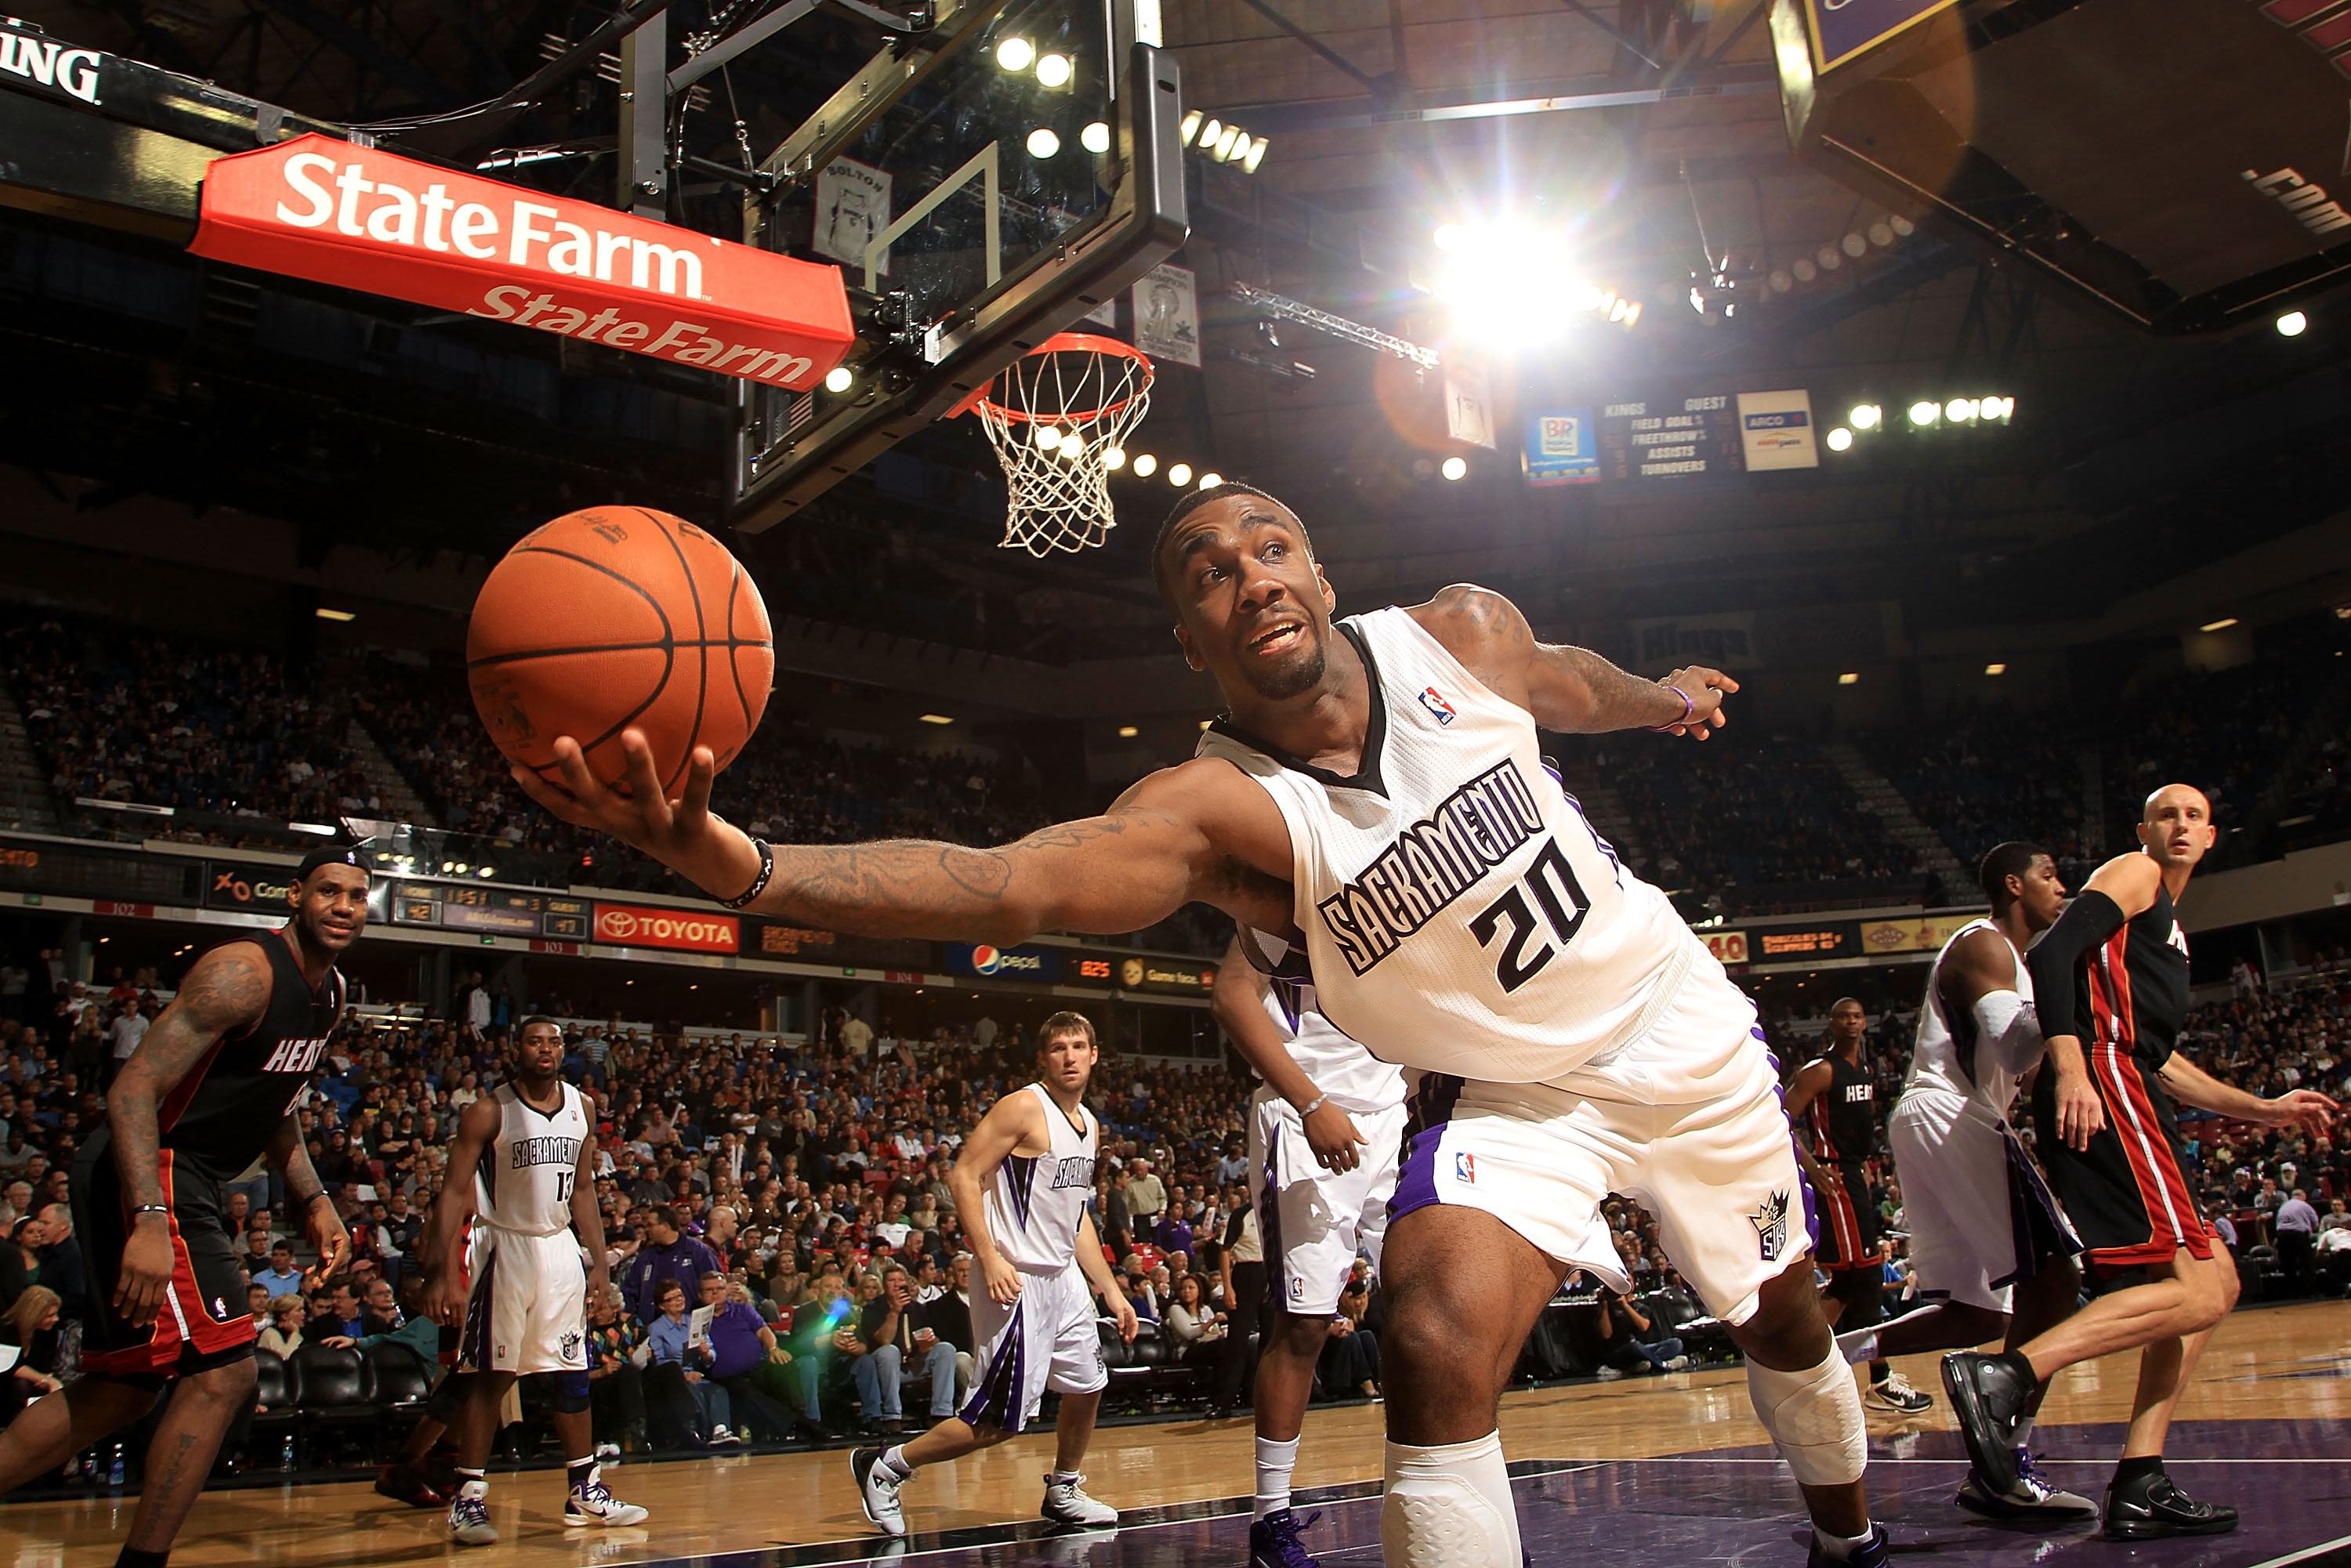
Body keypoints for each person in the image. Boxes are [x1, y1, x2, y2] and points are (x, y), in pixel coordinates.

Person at [516, 482, 1876, 1568]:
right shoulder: (1220, 810)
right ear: (1192, 642)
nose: (1250, 577)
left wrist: (1671, 698)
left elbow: (1575, 679)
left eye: (1269, 546)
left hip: (1670, 1026)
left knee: (1783, 1320)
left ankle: (1847, 1530)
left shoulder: (1459, 633)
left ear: (1323, 574)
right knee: (1431, 1339)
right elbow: (1009, 878)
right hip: (1500, 1091)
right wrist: (749, 868)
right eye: (1209, 576)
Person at [1942, 786, 2340, 1540]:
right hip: (2103, 1080)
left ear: (2214, 835)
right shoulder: (2136, 874)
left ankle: (2141, 1477)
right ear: (2143, 830)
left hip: (2125, 1075)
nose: (2180, 825)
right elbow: (2052, 951)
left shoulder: (2166, 928)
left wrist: (2264, 1108)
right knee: (2199, 1286)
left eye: (2194, 816)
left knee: (2212, 1284)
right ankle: (2006, 1374)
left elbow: (2162, 1059)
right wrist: (2070, 1060)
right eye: (2167, 814)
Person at [0, 846, 363, 1568]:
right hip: (155, 1164)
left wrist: (315, 1197)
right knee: (225, 1374)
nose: (345, 906)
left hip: (185, 1172)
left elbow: (277, 1108)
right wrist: (148, 1218)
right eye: (329, 891)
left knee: (123, 1390)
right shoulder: (242, 972)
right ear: (295, 895)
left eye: (357, 895)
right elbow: (133, 1089)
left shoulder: (333, 993)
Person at [1849, 842, 2092, 1519]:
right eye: (2049, 875)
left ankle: (1830, 1355)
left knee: (1980, 1313)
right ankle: (2004, 1459)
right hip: (1952, 1112)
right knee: (2057, 1277)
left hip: (1931, 1116)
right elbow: (2016, 1046)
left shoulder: (2012, 964)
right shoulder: (1987, 944)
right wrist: (2075, 991)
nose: (2061, 886)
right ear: (2014, 884)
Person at [849, 1016, 1137, 1537]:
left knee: (1089, 1383)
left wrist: (1112, 1289)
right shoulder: (1024, 1106)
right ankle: (885, 1464)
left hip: (1064, 1277)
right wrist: (990, 1255)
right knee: (996, 1422)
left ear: (1095, 1054)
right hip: (1016, 1276)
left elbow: (1075, 1219)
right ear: (1043, 1058)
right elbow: (961, 1172)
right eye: (1057, 1047)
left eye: (1078, 1046)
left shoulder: (1090, 1125)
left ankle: (1064, 1487)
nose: (1069, 1056)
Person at [1211, 923, 1406, 1568]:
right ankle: (1271, 1520)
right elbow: (1232, 994)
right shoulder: (1282, 895)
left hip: (1390, 1117)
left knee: (1422, 1310)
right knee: (1305, 1324)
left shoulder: (1397, 892)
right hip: (1306, 1119)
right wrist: (1311, 1099)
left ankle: (1431, 1483)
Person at [423, 1017, 647, 1545]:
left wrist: (597, 1259)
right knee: (494, 1373)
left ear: (564, 1050)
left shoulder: (582, 1106)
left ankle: (582, 1489)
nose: (545, 1050)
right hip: (505, 1244)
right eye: (534, 1041)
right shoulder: (488, 1109)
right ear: (515, 1047)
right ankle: (469, 1498)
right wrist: (442, 1271)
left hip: (559, 1245)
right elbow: (454, 1190)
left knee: (573, 1369)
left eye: (554, 1042)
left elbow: (585, 1188)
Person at [1784, 1000, 1933, 1418]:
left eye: (1857, 1016)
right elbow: (1780, 1118)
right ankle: (1877, 1381)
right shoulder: (1821, 1071)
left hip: (1854, 1175)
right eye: (1843, 1016)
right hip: (1835, 1179)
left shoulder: (1863, 1070)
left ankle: (1799, 1368)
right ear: (1831, 1023)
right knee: (1861, 1279)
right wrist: (1812, 1169)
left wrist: (1864, 1168)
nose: (1851, 1022)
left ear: (1865, 1022)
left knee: (1851, 1286)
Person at [1592, 1287, 1687, 1379]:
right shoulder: (1606, 1308)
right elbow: (1606, 1335)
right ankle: (1663, 1364)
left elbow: (1644, 1327)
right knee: (1635, 1346)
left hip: (1642, 1350)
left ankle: (1639, 1366)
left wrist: (1626, 1306)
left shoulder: (1639, 1306)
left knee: (1676, 1343)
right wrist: (1604, 1307)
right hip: (1618, 1352)